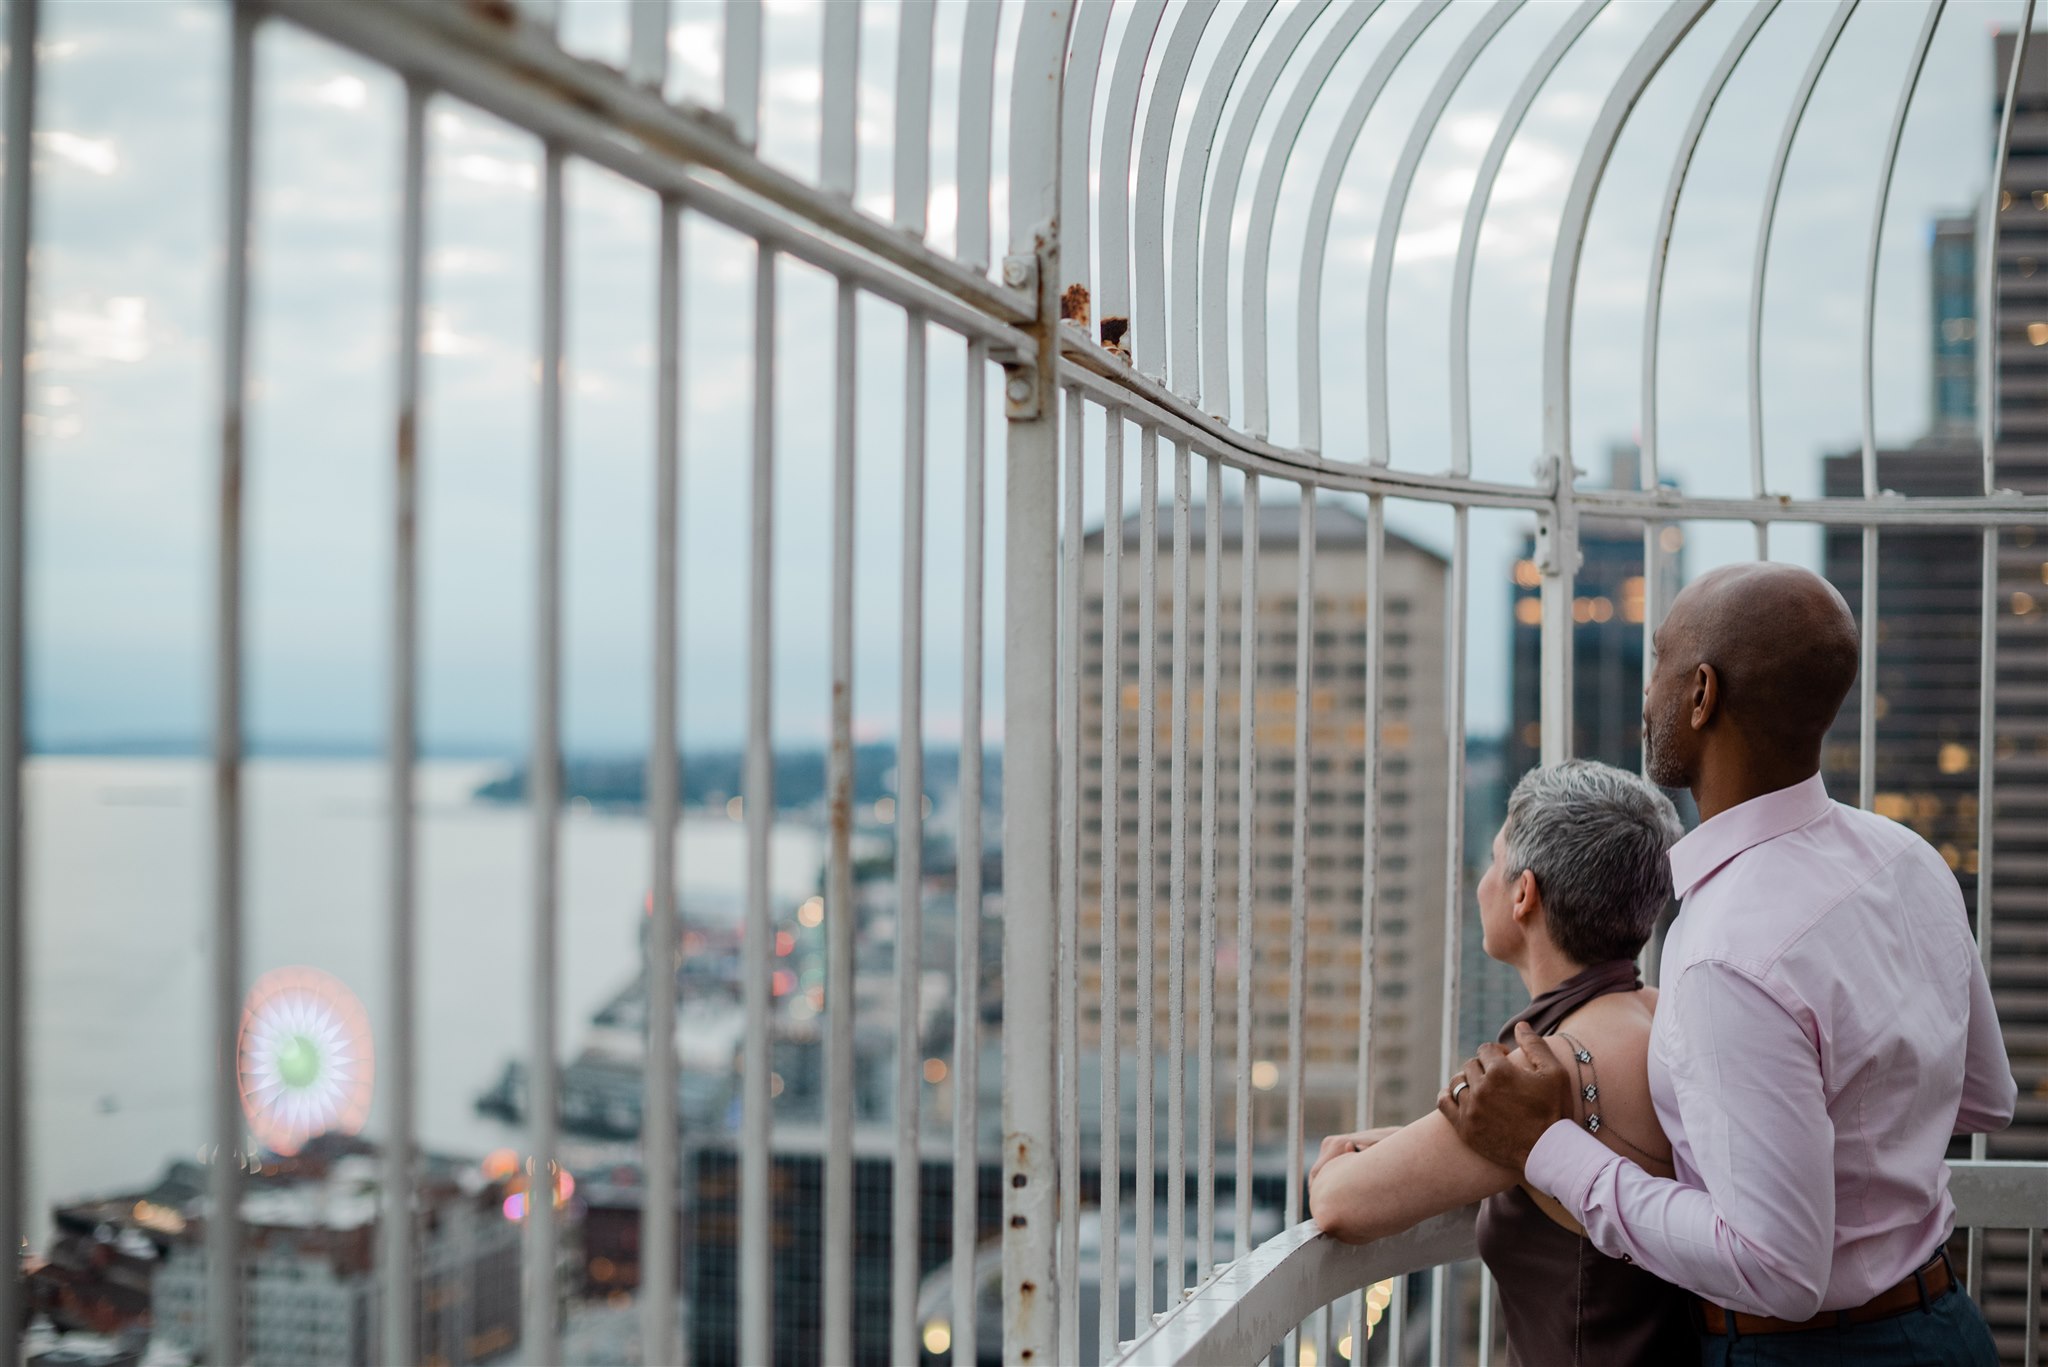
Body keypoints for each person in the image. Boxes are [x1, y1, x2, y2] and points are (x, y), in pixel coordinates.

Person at [1441, 562, 2016, 1366]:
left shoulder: (1725, 949)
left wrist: (1548, 1147)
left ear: (1702, 693)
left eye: (1658, 663)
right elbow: (1987, 1095)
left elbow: (1779, 1269)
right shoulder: (1907, 857)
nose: (1647, 697)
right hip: (1948, 1326)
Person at [1309, 758, 1699, 1365]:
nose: (1482, 881)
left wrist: (1337, 1165)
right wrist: (1414, 1146)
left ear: (1524, 893)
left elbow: (1339, 1203)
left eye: (1495, 861)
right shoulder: (1666, 1014)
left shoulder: (1547, 1074)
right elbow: (1552, 1174)